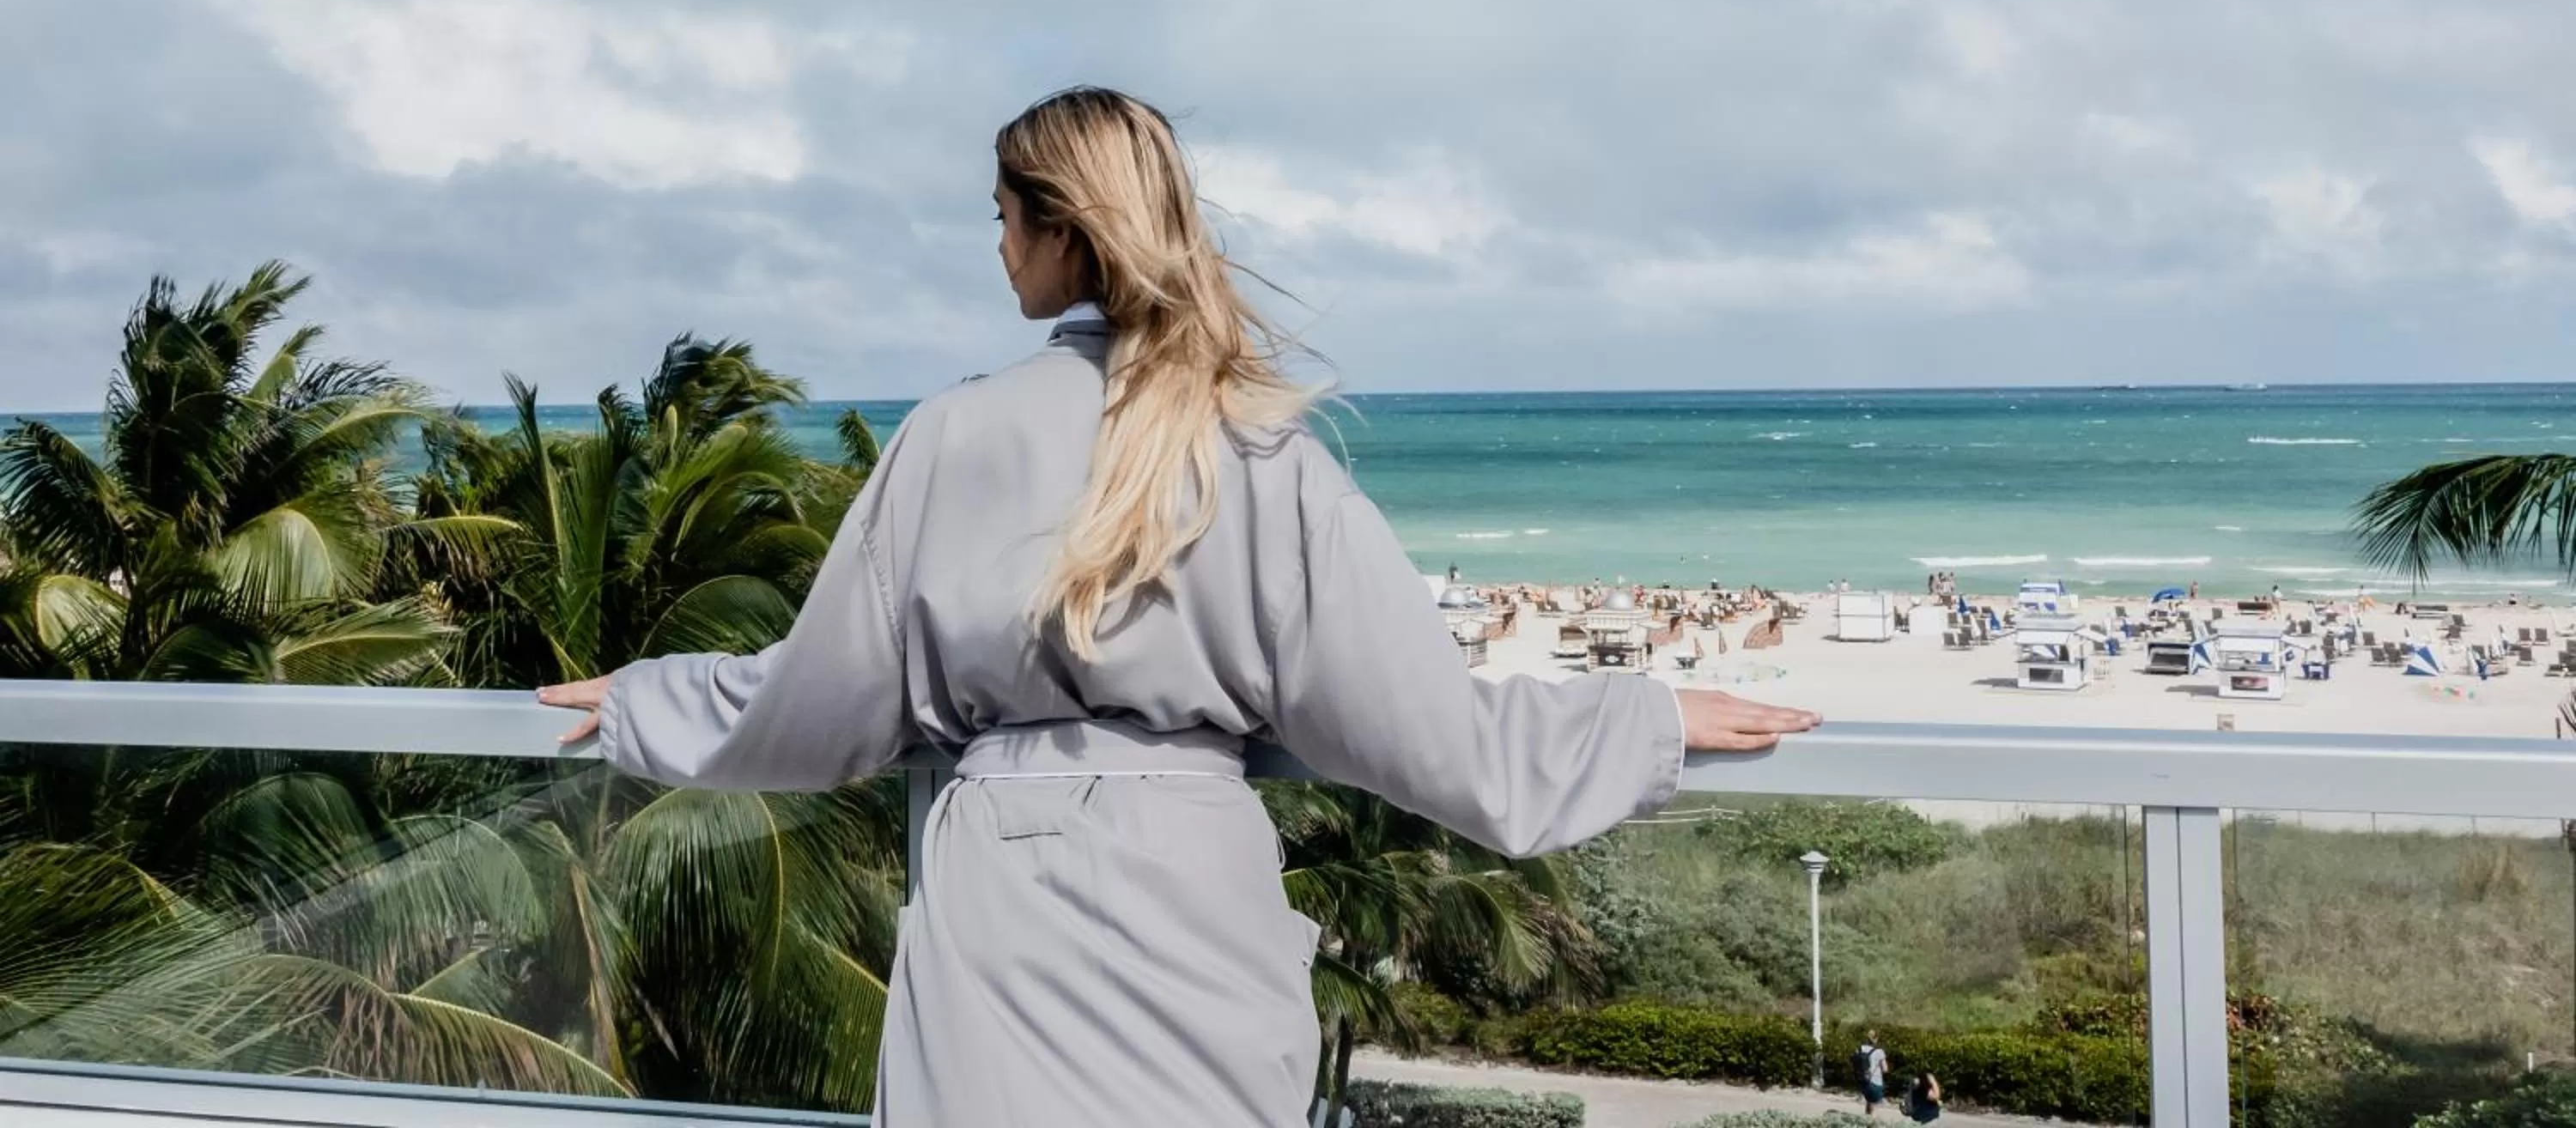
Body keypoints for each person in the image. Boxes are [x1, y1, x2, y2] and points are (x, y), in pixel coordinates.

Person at [537, 87, 1820, 1128]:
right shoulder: (1261, 456)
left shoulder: (954, 436)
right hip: (1196, 904)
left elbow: (830, 701)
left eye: (1001, 217)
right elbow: (1440, 741)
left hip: (1000, 913)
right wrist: (1646, 720)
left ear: (1056, 230)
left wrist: (649, 699)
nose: (995, 245)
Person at [1853, 1030, 1891, 1115]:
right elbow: (1885, 1069)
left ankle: (1867, 1119)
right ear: (1876, 1039)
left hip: (1862, 1082)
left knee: (1869, 1101)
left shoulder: (1860, 1049)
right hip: (1875, 1084)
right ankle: (1871, 1122)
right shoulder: (1880, 1052)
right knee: (1874, 1101)